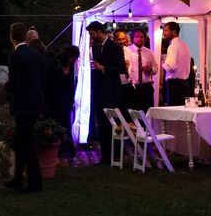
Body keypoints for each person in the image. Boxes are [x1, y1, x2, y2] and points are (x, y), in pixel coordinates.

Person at [6, 21, 47, 192]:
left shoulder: (15, 55)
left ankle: (34, 182)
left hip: (23, 104)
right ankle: (17, 177)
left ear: (11, 37)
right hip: (35, 102)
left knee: (27, 143)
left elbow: (16, 82)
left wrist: (7, 87)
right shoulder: (35, 54)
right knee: (20, 140)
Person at [86, 21, 125, 163]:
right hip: (99, 91)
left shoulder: (115, 47)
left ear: (100, 31)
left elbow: (121, 68)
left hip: (111, 92)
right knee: (101, 124)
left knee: (112, 124)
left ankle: (115, 154)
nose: (91, 37)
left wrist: (103, 68)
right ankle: (105, 155)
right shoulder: (95, 47)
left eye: (92, 34)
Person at [44, 45, 81, 161]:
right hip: (55, 101)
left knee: (66, 125)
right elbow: (49, 84)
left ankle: (67, 151)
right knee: (57, 125)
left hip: (66, 100)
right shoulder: (55, 65)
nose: (74, 61)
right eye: (73, 58)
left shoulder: (71, 65)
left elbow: (70, 84)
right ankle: (57, 152)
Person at [161, 21, 192, 106]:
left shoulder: (172, 46)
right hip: (185, 84)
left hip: (174, 85)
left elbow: (171, 66)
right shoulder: (185, 45)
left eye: (166, 30)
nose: (164, 33)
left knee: (174, 114)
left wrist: (162, 63)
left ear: (173, 31)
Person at [129, 29, 157, 111]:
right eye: (137, 37)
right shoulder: (127, 51)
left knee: (147, 112)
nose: (139, 39)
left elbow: (156, 68)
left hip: (146, 87)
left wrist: (150, 69)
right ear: (132, 38)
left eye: (142, 37)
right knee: (134, 113)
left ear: (145, 38)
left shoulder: (149, 52)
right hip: (133, 87)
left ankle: (147, 124)